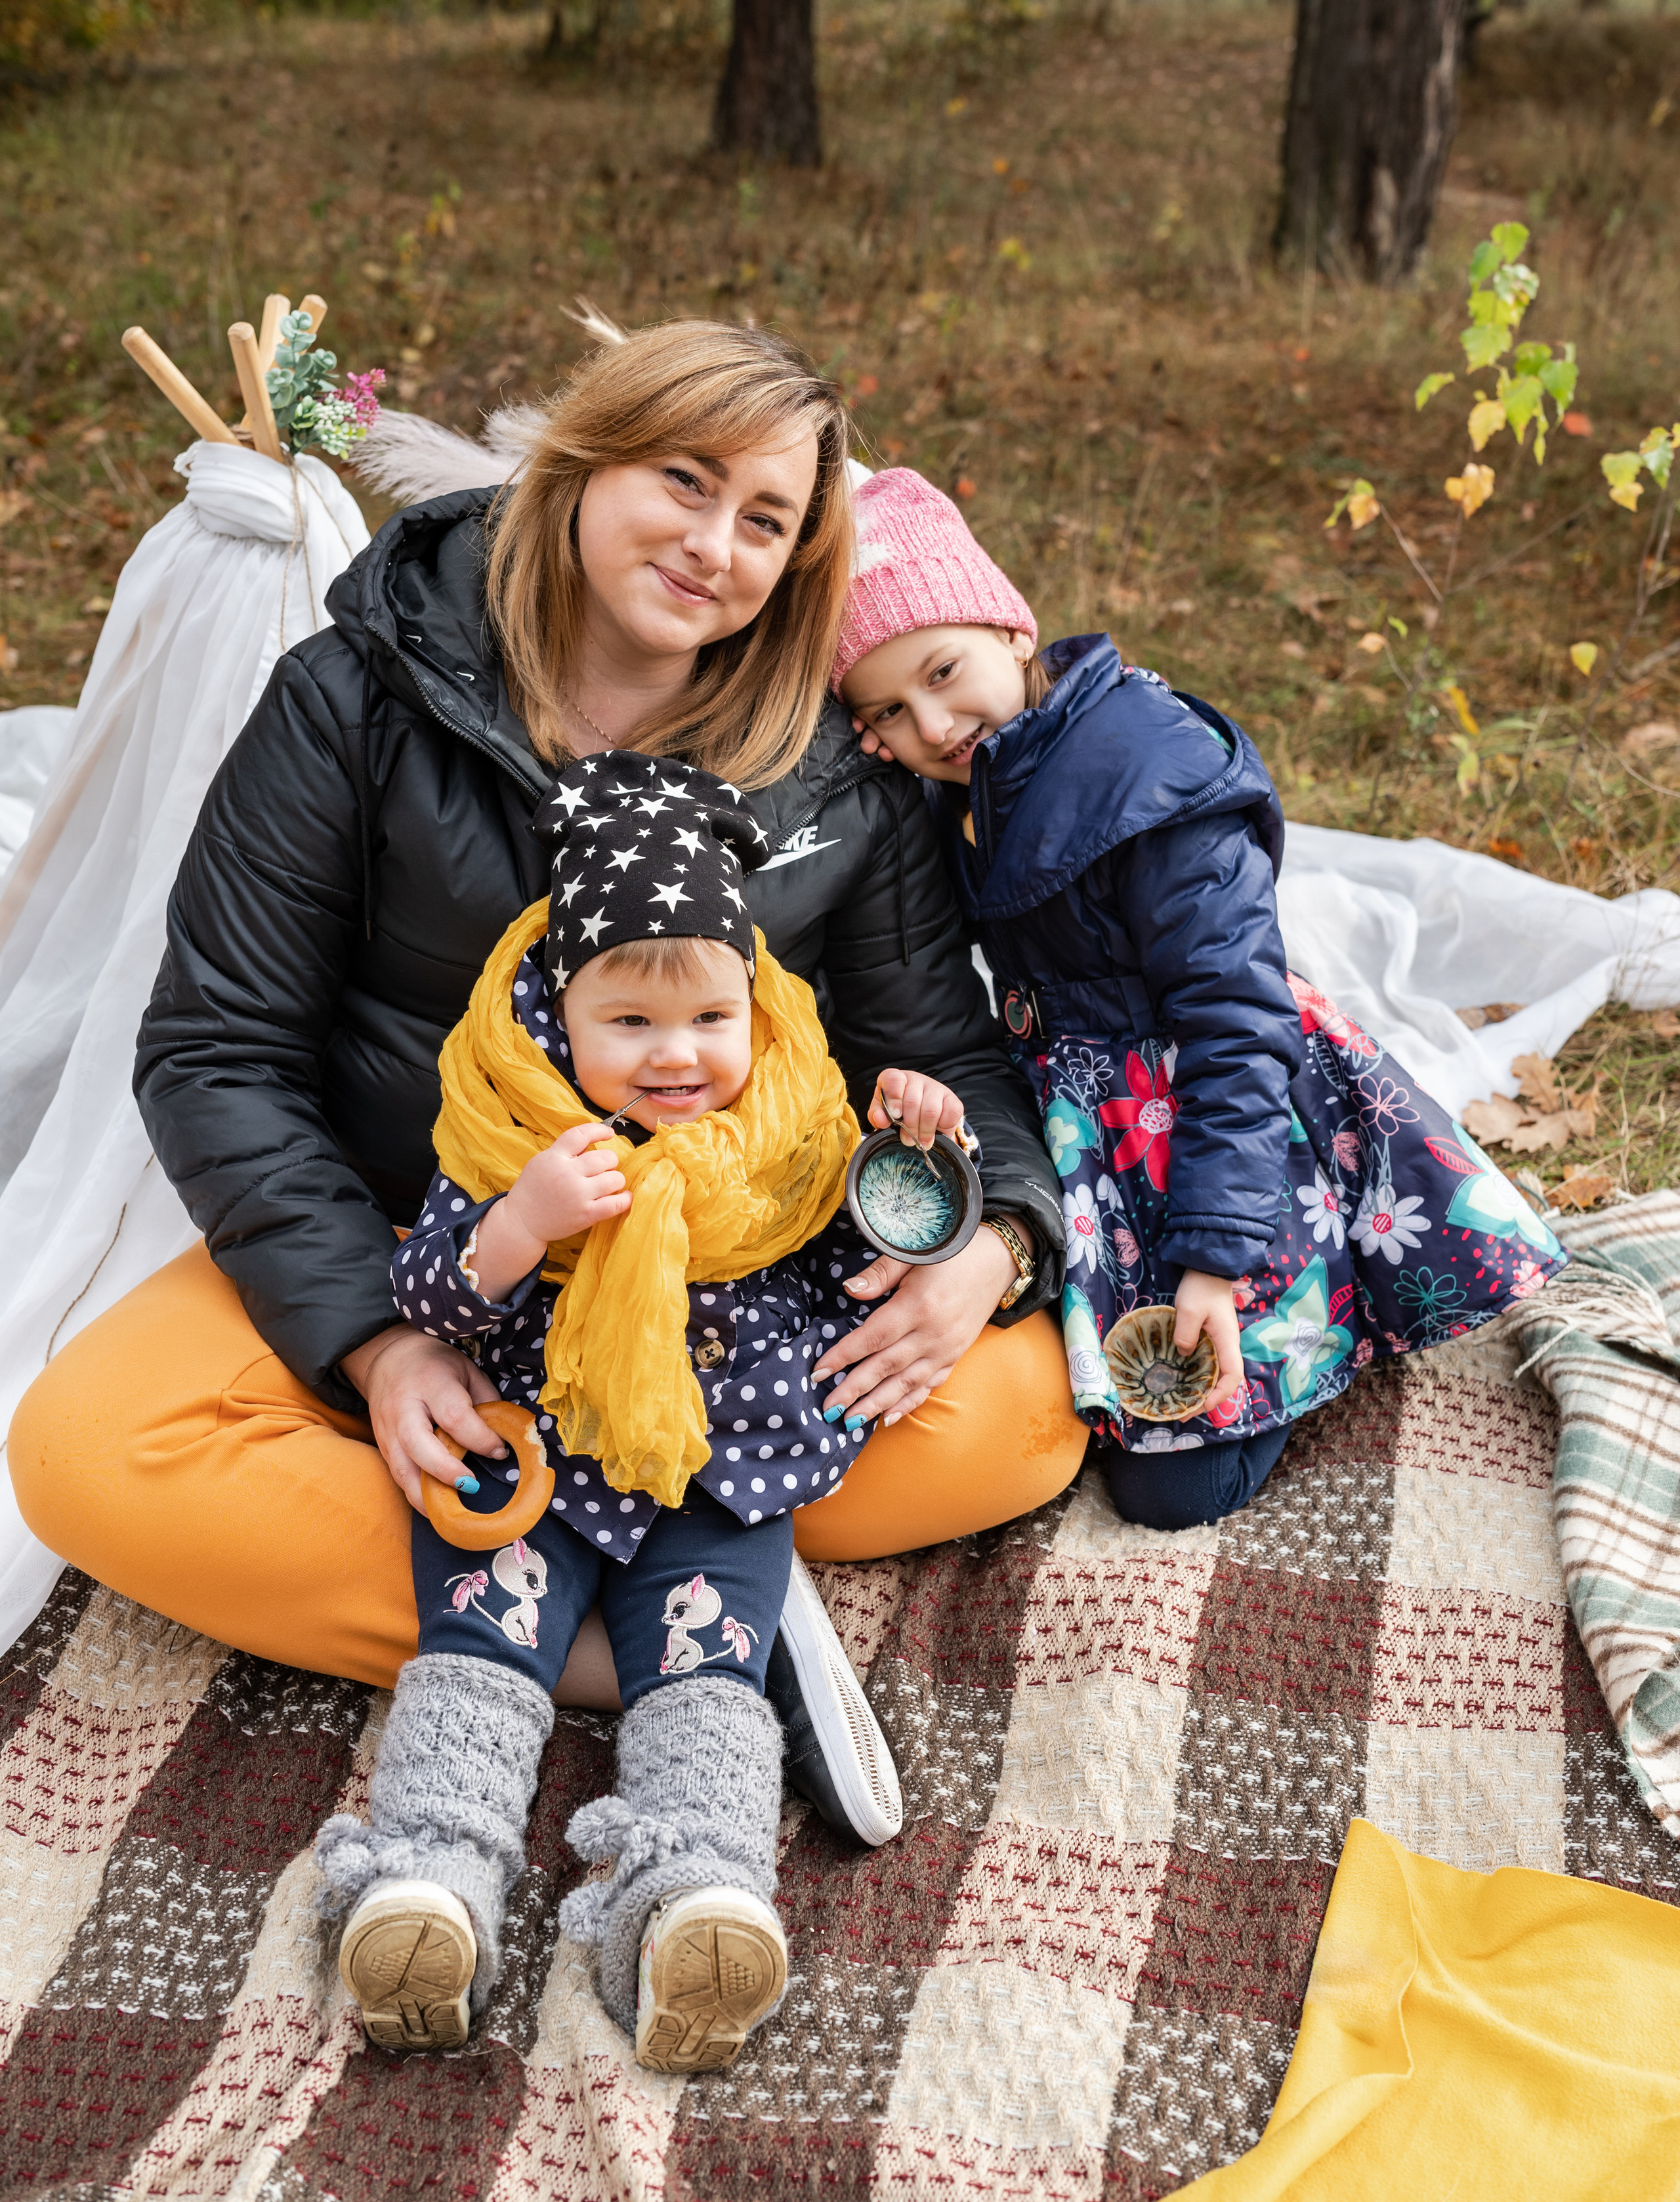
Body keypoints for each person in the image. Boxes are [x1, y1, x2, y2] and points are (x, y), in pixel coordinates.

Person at [9, 321, 1080, 1735]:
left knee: (1021, 1417)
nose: (716, 544)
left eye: (765, 521)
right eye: (683, 482)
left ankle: (556, 1569)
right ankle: (691, 1657)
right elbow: (221, 1045)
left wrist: (990, 1245)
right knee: (92, 1451)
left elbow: (943, 1055)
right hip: (428, 1238)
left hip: (734, 1293)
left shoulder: (840, 774)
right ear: (580, 465)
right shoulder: (350, 702)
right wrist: (378, 1348)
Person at [321, 751, 950, 2065]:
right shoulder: (511, 1131)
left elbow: (864, 1256)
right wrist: (518, 1227)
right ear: (561, 1017)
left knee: (704, 1681)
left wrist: (916, 1153)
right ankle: (428, 1883)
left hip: (719, 1475)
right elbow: (432, 1297)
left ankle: (696, 1907)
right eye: (631, 1027)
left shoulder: (786, 1131)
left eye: (709, 1023)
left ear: (753, 1009)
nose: (678, 1058)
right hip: (537, 1457)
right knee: (477, 1655)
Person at [832, 468, 1568, 1531]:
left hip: (1226, 1133)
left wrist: (1215, 1263)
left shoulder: (1150, 783)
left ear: (1007, 625)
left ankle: (1327, 1324)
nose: (934, 722)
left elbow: (1238, 1023)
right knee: (1095, 1407)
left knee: (1171, 1488)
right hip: (1098, 1134)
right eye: (888, 713)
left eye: (944, 672)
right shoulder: (964, 782)